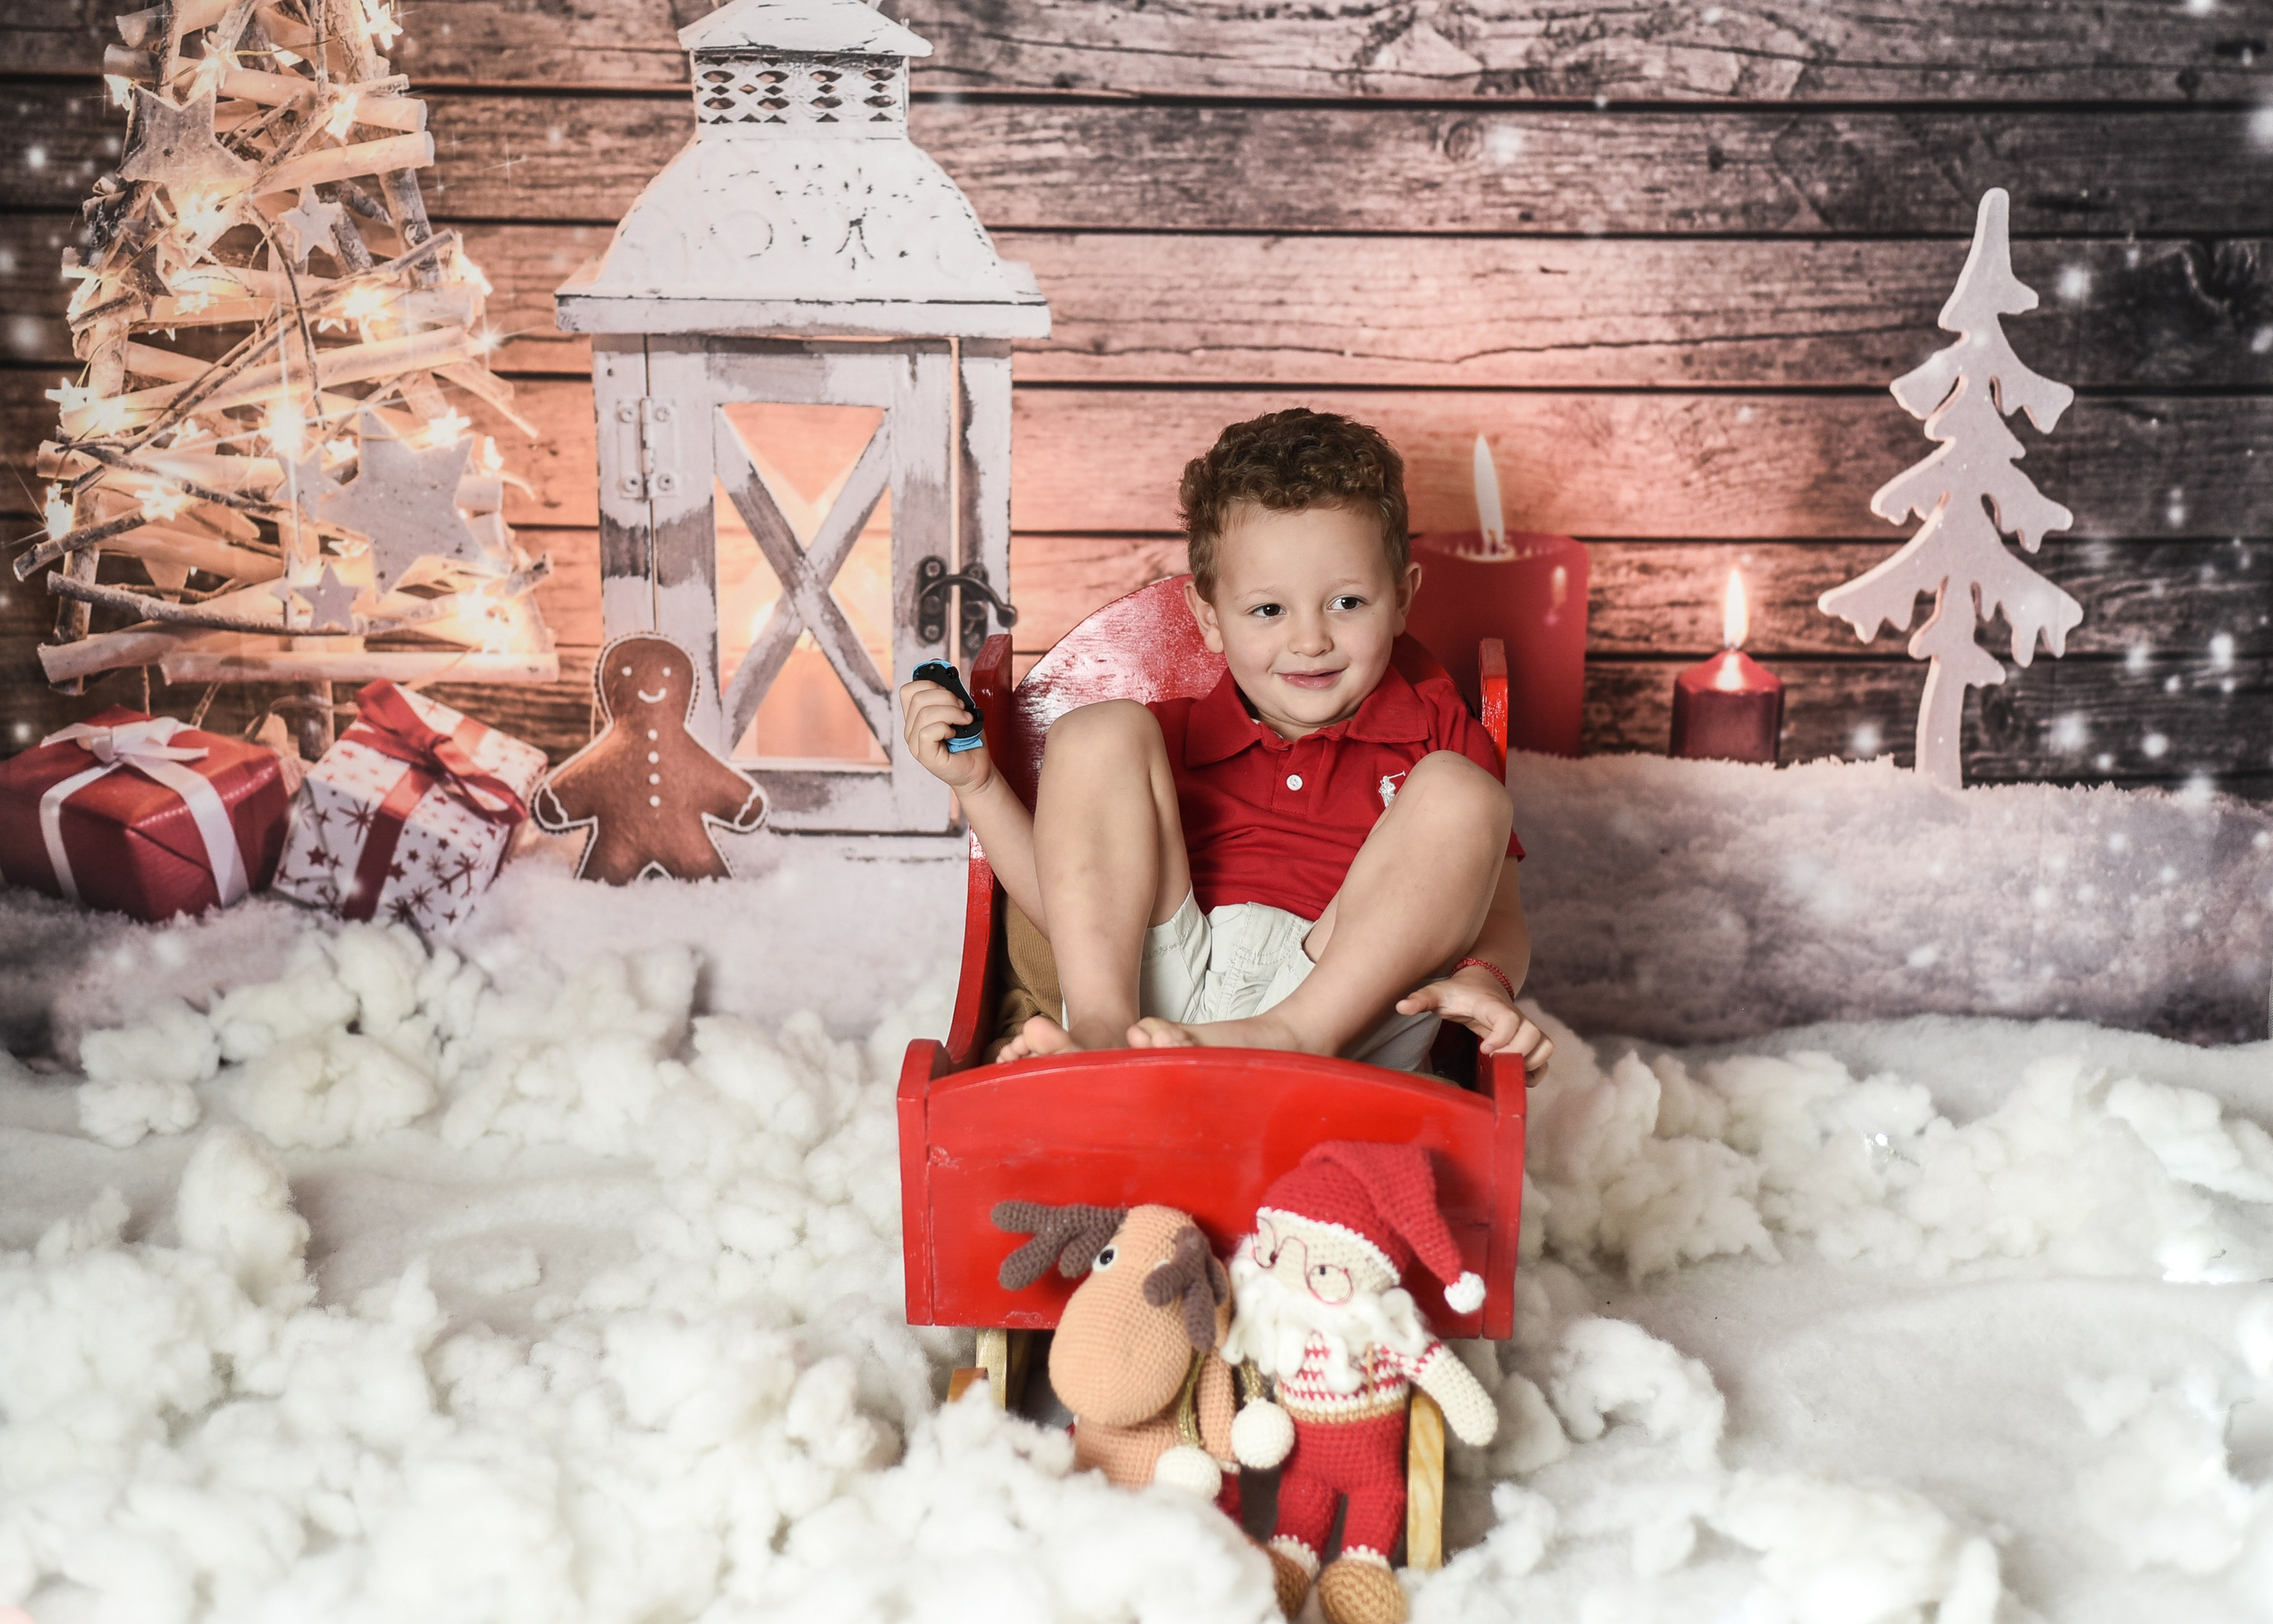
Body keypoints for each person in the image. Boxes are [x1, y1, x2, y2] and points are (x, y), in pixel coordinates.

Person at [898, 408, 1553, 1074]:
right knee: (1100, 731)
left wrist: (1484, 980)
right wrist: (978, 785)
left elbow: (1496, 913)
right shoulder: (1170, 740)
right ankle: (1097, 1034)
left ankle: (1291, 1035)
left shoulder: (1438, 727)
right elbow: (1073, 906)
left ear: (1403, 598)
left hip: (1344, 1014)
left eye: (1347, 602)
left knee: (1461, 791)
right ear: (1209, 619)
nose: (1310, 640)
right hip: (1162, 1001)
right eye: (1269, 610)